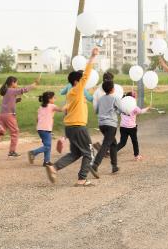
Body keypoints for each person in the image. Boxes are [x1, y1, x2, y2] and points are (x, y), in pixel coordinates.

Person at [45, 48, 99, 186]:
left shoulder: (71, 94)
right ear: (76, 81)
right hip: (78, 126)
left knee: (75, 153)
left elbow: (67, 108)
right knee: (88, 152)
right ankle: (82, 179)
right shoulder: (77, 89)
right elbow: (86, 74)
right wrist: (92, 56)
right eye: (81, 80)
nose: (83, 81)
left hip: (70, 127)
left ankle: (54, 167)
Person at [0, 75, 39, 158]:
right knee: (15, 132)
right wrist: (34, 84)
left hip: (2, 115)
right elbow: (24, 90)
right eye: (16, 83)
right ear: (12, 83)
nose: (17, 84)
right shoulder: (12, 90)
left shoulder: (6, 91)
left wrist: (16, 101)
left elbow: (7, 103)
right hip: (9, 115)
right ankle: (12, 151)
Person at [92, 80, 121, 175]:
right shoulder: (115, 98)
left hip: (102, 125)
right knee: (106, 144)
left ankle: (114, 166)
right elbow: (121, 110)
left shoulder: (100, 99)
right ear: (112, 89)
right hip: (111, 125)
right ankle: (95, 165)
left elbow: (96, 111)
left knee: (113, 144)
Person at [28, 91, 63, 167]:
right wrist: (67, 104)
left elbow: (37, 119)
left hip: (40, 129)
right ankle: (33, 152)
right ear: (49, 99)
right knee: (47, 146)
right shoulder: (52, 106)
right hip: (46, 129)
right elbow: (61, 110)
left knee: (47, 145)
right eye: (54, 97)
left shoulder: (41, 107)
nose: (55, 98)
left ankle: (46, 162)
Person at [117, 92, 149, 161]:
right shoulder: (134, 107)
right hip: (132, 128)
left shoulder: (122, 105)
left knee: (122, 142)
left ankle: (112, 151)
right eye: (135, 97)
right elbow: (140, 111)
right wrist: (147, 108)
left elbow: (118, 112)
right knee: (134, 142)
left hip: (123, 127)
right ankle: (136, 155)